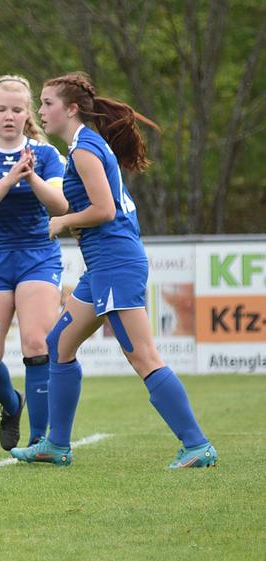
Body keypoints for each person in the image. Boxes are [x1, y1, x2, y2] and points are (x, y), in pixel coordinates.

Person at [12, 72, 217, 468]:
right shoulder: (84, 145)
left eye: (46, 103)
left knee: (143, 357)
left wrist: (63, 223)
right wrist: (39, 182)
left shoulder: (85, 149)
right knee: (59, 345)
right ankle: (56, 445)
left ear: (71, 109)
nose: (40, 110)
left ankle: (197, 445)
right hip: (104, 267)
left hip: (115, 265)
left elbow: (104, 211)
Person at [0, 75, 69, 450]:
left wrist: (31, 174)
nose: (9, 116)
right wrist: (10, 177)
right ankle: (11, 403)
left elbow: (60, 207)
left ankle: (40, 441)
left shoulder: (47, 154)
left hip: (37, 255)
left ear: (27, 115)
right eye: (2, 109)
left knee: (37, 342)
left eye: (17, 109)